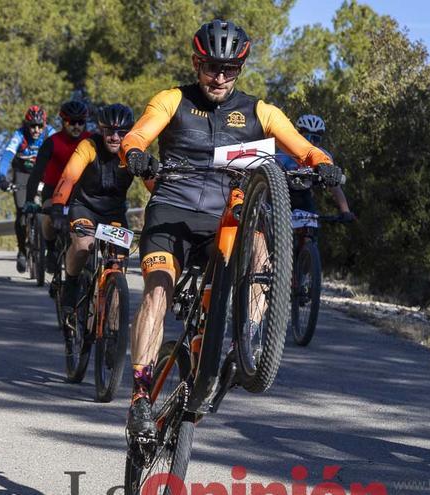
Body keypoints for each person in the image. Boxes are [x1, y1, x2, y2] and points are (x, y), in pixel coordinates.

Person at [119, 19, 343, 438]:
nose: (219, 77)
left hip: (226, 221)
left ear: (240, 68)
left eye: (229, 69)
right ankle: (140, 395)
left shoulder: (261, 111)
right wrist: (135, 154)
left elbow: (305, 148)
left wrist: (324, 165)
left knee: (262, 254)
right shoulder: (173, 100)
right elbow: (137, 136)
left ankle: (248, 343)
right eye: (210, 67)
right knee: (158, 290)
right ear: (195, 63)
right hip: (173, 212)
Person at [51, 104, 136, 350]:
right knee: (83, 244)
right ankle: (71, 284)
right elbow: (69, 176)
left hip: (114, 214)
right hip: (84, 208)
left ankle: (113, 330)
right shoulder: (88, 146)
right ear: (100, 130)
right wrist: (58, 205)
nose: (115, 137)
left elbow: (154, 185)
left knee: (117, 266)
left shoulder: (132, 151)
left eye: (121, 132)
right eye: (109, 131)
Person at [25, 101, 92, 272]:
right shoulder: (51, 143)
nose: (76, 126)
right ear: (63, 122)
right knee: (47, 216)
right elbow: (36, 173)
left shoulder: (92, 141)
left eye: (80, 122)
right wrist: (28, 199)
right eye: (71, 122)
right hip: (53, 191)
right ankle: (51, 249)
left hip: (82, 194)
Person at [0, 105, 57, 273]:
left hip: (43, 173)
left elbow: (61, 155)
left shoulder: (50, 133)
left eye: (40, 125)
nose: (36, 130)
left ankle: (51, 249)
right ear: (26, 125)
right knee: (21, 210)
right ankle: (22, 250)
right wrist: (2, 177)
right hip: (22, 173)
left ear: (45, 124)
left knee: (51, 207)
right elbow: (6, 157)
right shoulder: (19, 135)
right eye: (32, 126)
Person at [277, 114, 354, 221]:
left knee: (311, 229)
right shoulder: (285, 152)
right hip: (282, 195)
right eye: (306, 137)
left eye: (315, 138)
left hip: (304, 196)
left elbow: (335, 187)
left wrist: (345, 211)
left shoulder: (324, 156)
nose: (311, 142)